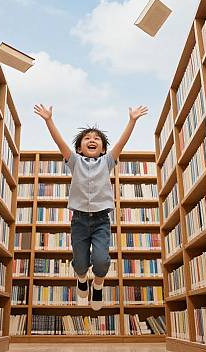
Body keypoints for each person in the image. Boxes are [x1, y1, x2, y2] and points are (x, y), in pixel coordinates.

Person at [34, 104, 148, 310]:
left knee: (102, 261)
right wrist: (48, 120)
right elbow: (59, 143)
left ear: (103, 148)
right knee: (79, 263)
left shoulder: (107, 162)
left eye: (97, 138)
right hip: (79, 220)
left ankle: (97, 285)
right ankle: (81, 278)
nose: (92, 140)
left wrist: (132, 121)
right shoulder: (74, 161)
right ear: (79, 148)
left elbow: (122, 143)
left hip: (101, 220)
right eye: (87, 138)